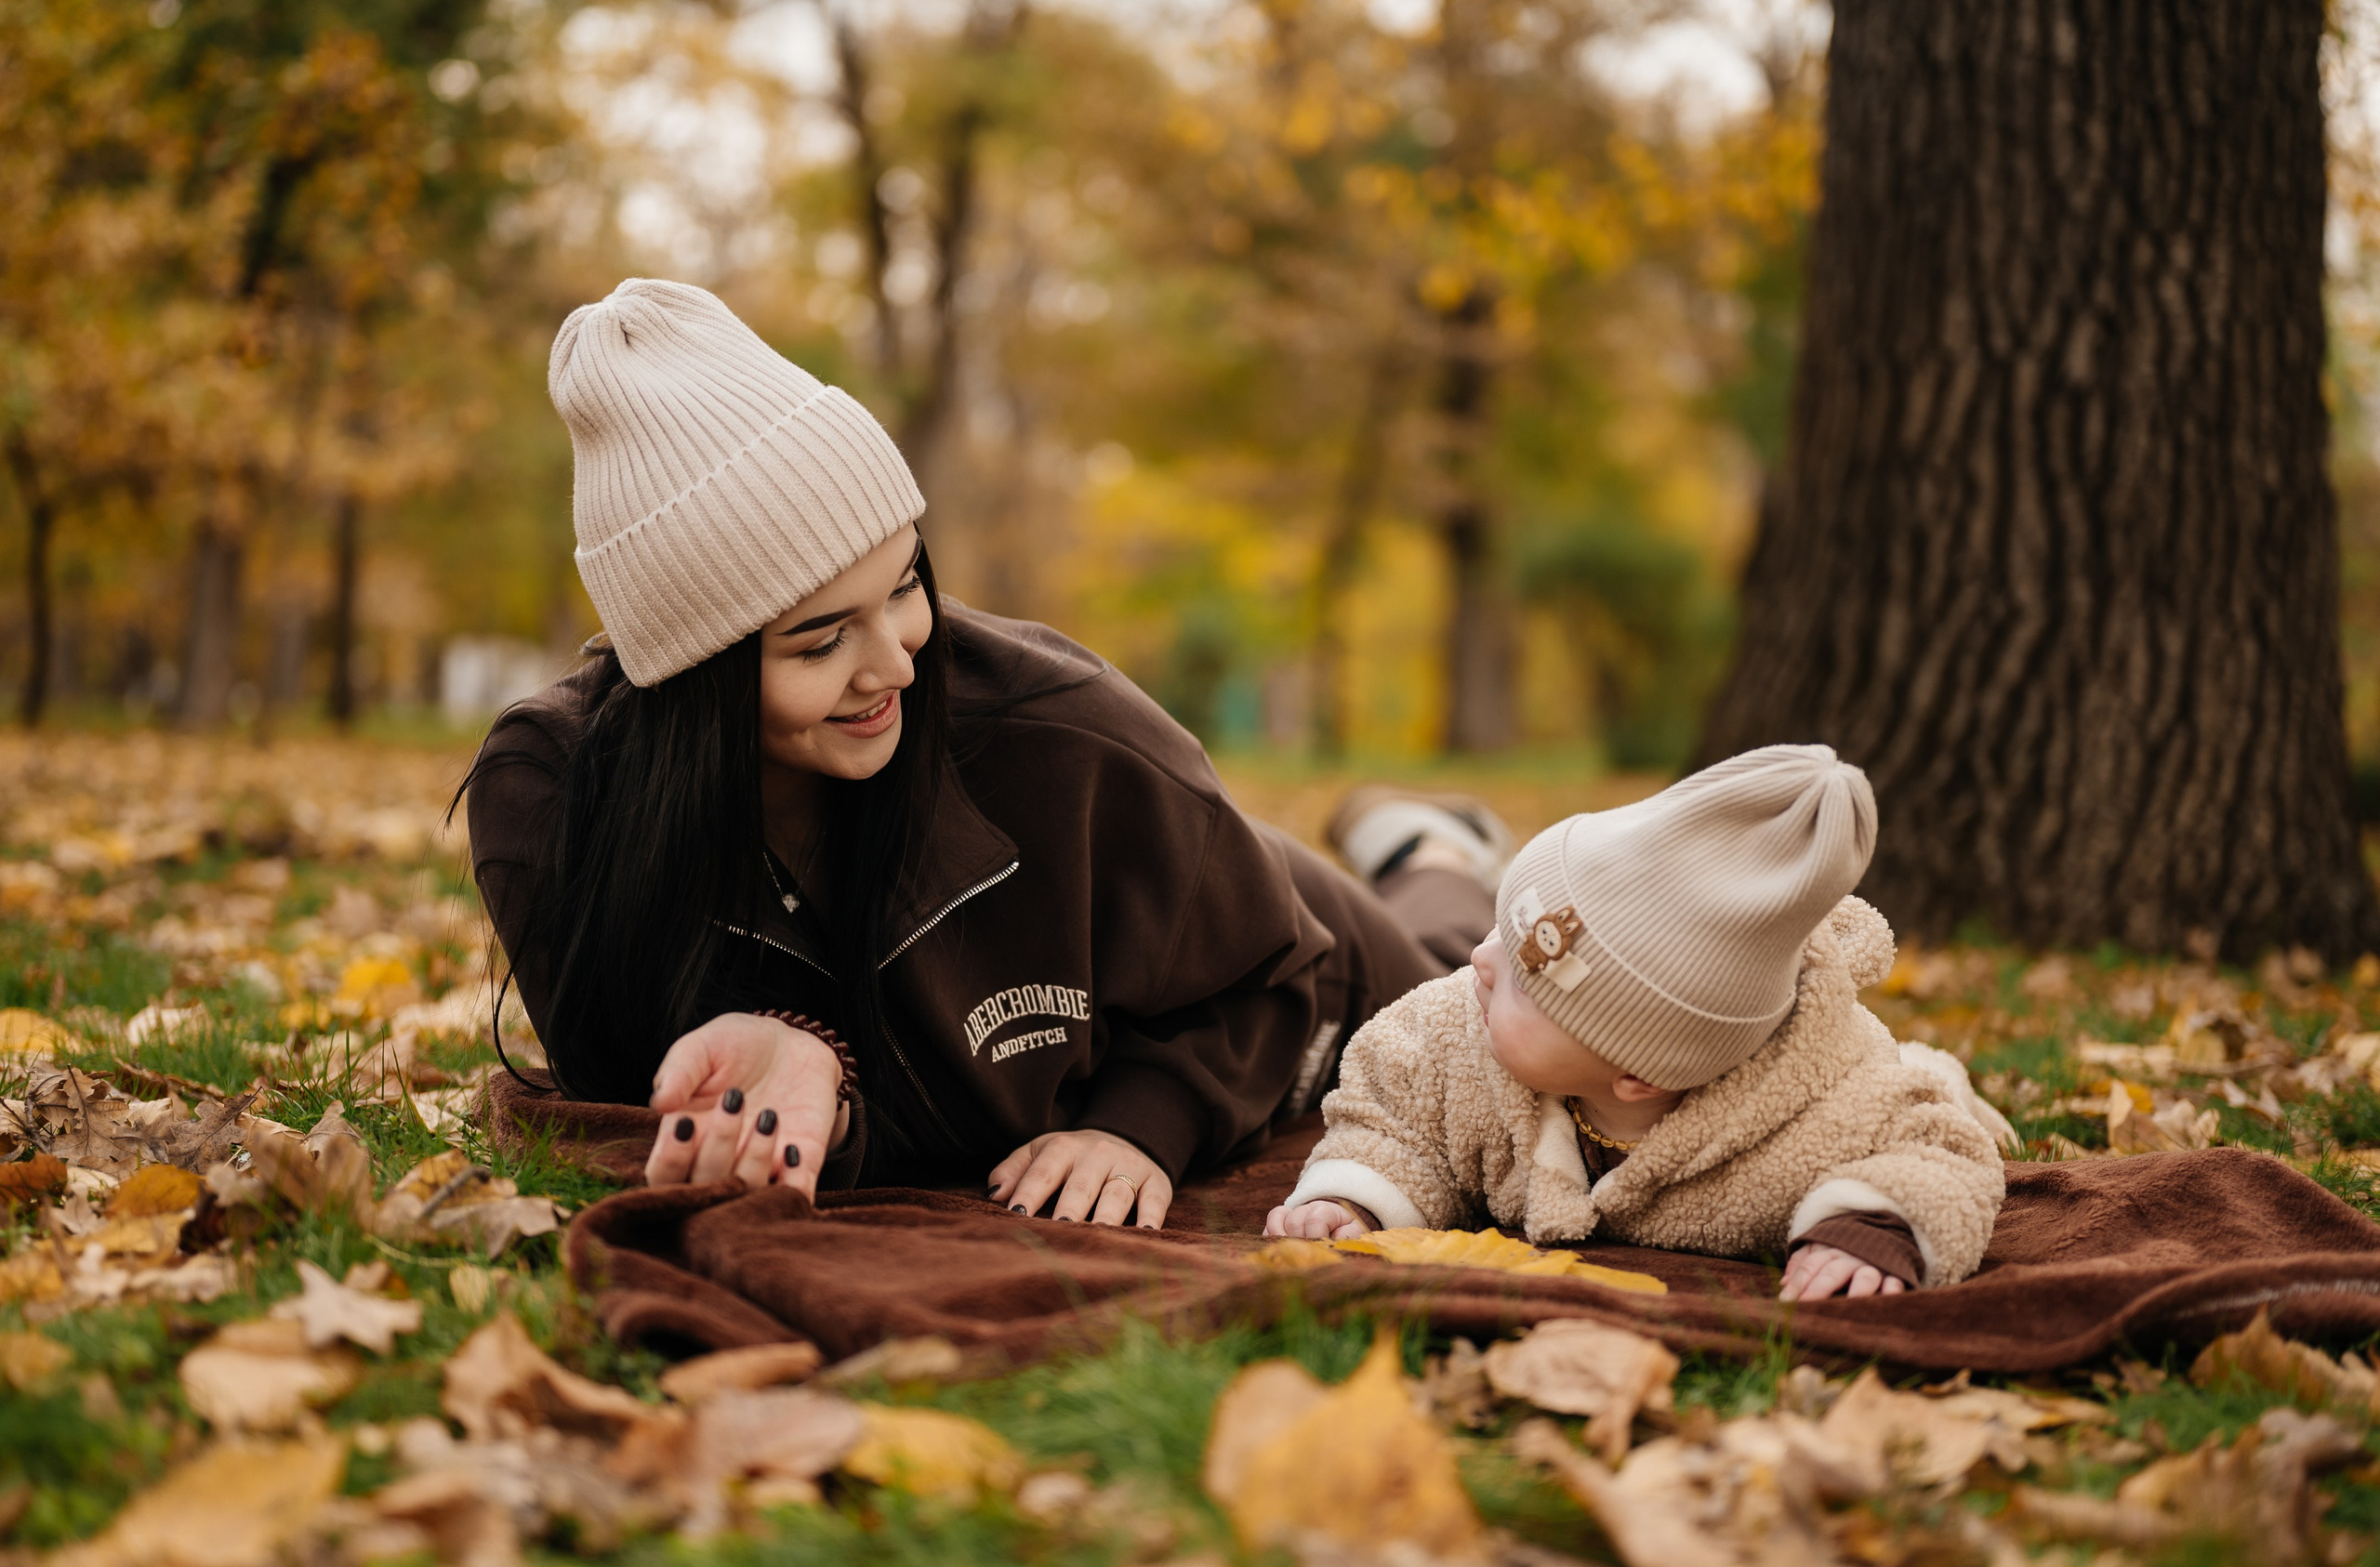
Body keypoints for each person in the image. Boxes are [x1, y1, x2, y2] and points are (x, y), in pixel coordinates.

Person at [463, 278, 1503, 1229]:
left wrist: (1144, 1120)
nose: (897, 665)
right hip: (1134, 952)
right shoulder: (554, 802)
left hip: (1275, 953)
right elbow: (662, 1096)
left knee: (1483, 1008)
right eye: (822, 639)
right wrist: (804, 1052)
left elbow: (1275, 969)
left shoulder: (1066, 729)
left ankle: (1433, 854)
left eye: (906, 586)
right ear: (689, 675)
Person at [1263, 746, 2014, 1299]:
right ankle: (1435, 846)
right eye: (1500, 928)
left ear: (1638, 1071)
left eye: (1531, 986)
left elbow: (1935, 1149)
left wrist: (1873, 1226)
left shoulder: (1817, 1115)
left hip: (1855, 1077)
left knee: (1924, 1080)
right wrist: (1356, 1195)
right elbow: (1395, 1111)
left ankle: (1941, 1067)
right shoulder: (1455, 1034)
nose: (1481, 959)